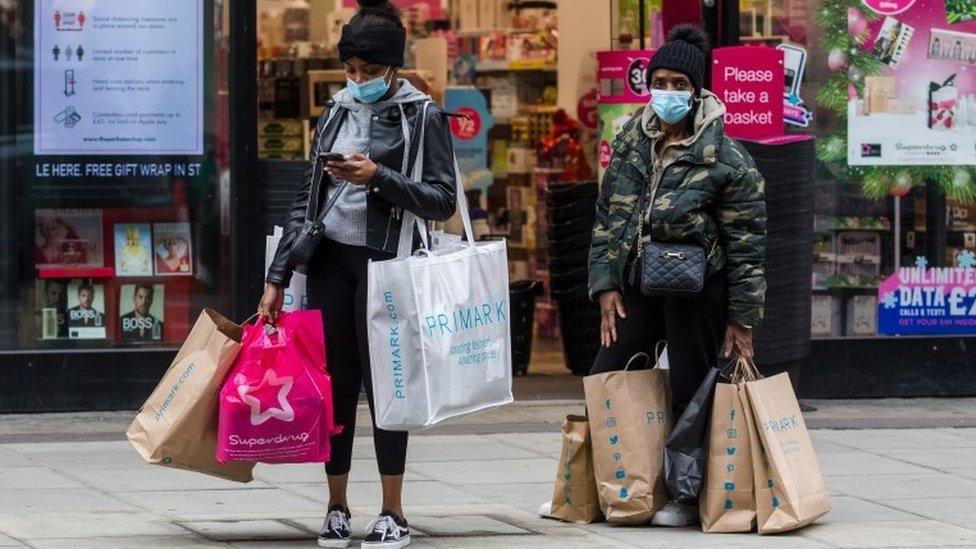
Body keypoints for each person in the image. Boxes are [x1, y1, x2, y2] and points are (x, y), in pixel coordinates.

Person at [258, 1, 457, 546]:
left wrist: (378, 177)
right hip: (329, 263)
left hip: (386, 264)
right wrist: (278, 277)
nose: (358, 81)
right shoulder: (335, 110)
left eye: (369, 72)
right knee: (336, 386)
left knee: (388, 387)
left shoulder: (424, 116)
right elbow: (307, 198)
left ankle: (393, 511)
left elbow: (442, 201)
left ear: (392, 68)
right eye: (351, 70)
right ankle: (336, 505)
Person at [587, 24, 766, 527]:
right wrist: (605, 284)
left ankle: (685, 495)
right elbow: (607, 217)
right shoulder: (630, 140)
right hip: (637, 284)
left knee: (692, 387)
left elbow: (748, 245)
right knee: (608, 371)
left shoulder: (728, 159)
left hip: (698, 289)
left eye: (678, 84)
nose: (667, 93)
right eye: (659, 81)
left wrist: (742, 318)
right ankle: (616, 482)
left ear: (698, 89)